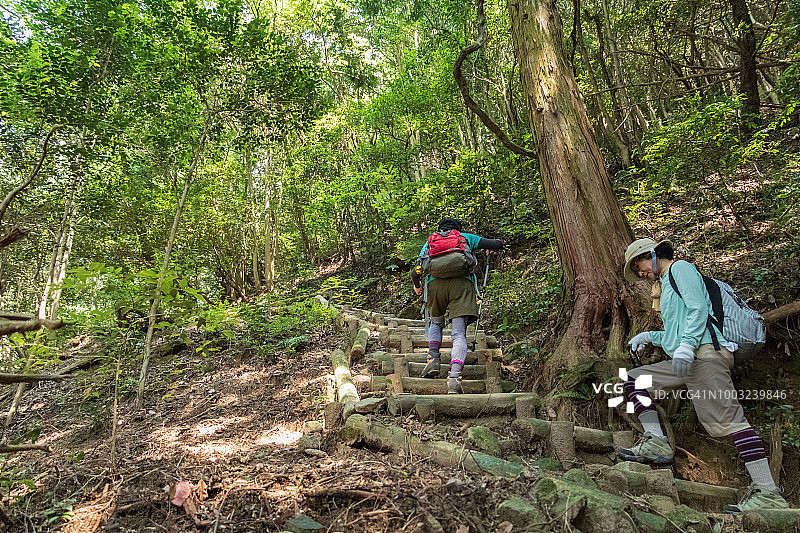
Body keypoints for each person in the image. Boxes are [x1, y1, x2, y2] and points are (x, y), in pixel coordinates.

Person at [619, 237, 788, 512]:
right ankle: (657, 444)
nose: (641, 274)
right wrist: (651, 336)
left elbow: (699, 309)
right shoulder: (666, 287)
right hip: (686, 361)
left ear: (652, 255)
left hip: (705, 356)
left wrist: (687, 346)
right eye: (637, 272)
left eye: (639, 265)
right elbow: (678, 332)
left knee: (731, 422)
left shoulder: (681, 269)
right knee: (635, 380)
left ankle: (769, 493)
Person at [411, 218, 503, 394]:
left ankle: (433, 360)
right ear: (458, 229)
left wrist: (417, 285)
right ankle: (454, 378)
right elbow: (496, 243)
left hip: (435, 286)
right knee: (458, 333)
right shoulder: (465, 238)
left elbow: (417, 268)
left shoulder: (431, 241)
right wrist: (490, 247)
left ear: (440, 230)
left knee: (436, 323)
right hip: (461, 286)